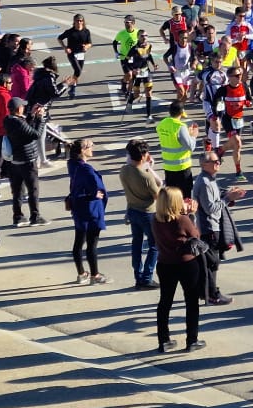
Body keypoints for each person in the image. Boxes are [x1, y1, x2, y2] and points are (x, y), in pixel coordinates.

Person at [153, 187, 206, 352]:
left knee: (165, 302)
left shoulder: (155, 219)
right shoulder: (182, 220)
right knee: (191, 302)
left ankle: (164, 340)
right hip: (186, 264)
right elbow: (196, 236)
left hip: (164, 263)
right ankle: (192, 340)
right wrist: (191, 215)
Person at [195, 151, 244, 305]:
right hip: (209, 228)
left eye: (219, 161)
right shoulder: (204, 182)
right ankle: (212, 295)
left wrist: (228, 194)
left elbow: (215, 200)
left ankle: (206, 292)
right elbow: (210, 208)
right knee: (212, 263)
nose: (218, 164)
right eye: (215, 161)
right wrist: (228, 198)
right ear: (204, 164)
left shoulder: (210, 180)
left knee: (212, 262)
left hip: (211, 226)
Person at [119, 138, 162, 289]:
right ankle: (147, 277)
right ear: (143, 156)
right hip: (148, 213)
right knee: (154, 245)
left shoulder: (124, 170)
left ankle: (138, 276)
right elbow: (158, 193)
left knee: (136, 243)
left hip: (132, 209)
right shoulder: (146, 175)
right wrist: (150, 168)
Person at [66, 137, 109, 284]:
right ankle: (95, 275)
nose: (92, 148)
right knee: (92, 244)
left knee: (79, 241)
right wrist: (95, 194)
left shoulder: (72, 164)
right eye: (90, 146)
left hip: (78, 207)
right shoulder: (86, 169)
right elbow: (96, 187)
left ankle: (81, 273)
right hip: (90, 209)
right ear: (83, 150)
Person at [3, 97, 45, 227]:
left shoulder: (8, 121)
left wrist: (32, 115)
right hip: (27, 160)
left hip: (15, 161)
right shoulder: (19, 123)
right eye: (23, 106)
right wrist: (40, 119)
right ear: (19, 109)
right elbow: (35, 134)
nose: (24, 107)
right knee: (33, 189)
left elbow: (26, 127)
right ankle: (35, 216)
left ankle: (18, 216)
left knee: (17, 191)